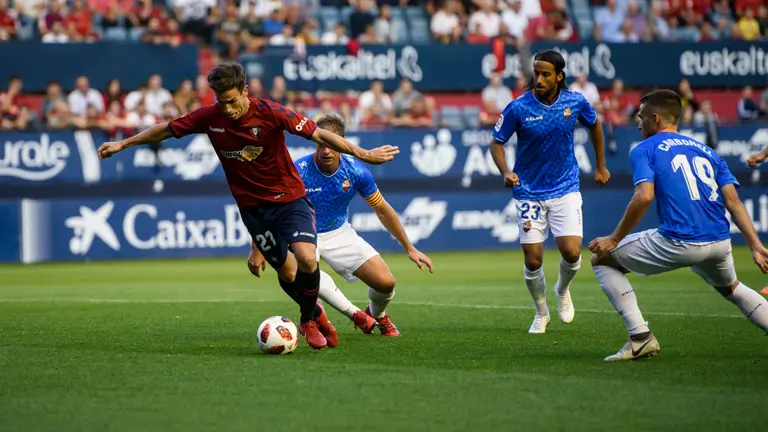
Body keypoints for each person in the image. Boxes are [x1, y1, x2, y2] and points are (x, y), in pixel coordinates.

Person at [96, 62, 399, 350]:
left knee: (307, 259)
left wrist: (363, 153)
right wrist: (123, 144)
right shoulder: (210, 117)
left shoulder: (271, 112)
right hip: (254, 210)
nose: (227, 109)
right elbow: (166, 129)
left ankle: (307, 319)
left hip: (290, 199)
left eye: (231, 101)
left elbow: (319, 133)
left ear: (244, 91)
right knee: (287, 273)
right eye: (221, 102)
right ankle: (317, 312)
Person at [589, 89, 768, 362]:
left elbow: (644, 196)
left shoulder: (644, 149)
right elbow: (733, 202)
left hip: (679, 240)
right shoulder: (707, 151)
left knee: (602, 260)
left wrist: (614, 239)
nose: (638, 122)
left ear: (656, 118)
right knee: (731, 287)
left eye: (641, 116)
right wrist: (755, 245)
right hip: (720, 242)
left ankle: (640, 337)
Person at [248, 114, 433, 344]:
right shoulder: (299, 171)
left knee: (386, 283)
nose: (326, 151)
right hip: (302, 233)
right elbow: (268, 206)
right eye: (321, 144)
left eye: (332, 145)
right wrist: (257, 247)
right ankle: (353, 314)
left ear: (342, 143)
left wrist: (410, 248)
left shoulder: (356, 172)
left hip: (338, 231)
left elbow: (383, 210)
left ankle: (377, 315)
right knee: (304, 267)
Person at [490, 50, 610, 334]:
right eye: (536, 73)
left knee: (571, 252)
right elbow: (496, 142)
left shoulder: (575, 101)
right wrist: (505, 171)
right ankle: (541, 312)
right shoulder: (518, 107)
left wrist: (600, 165)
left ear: (559, 76)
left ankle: (563, 289)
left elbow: (595, 125)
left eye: (546, 74)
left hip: (565, 186)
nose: (539, 79)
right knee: (533, 259)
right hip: (528, 191)